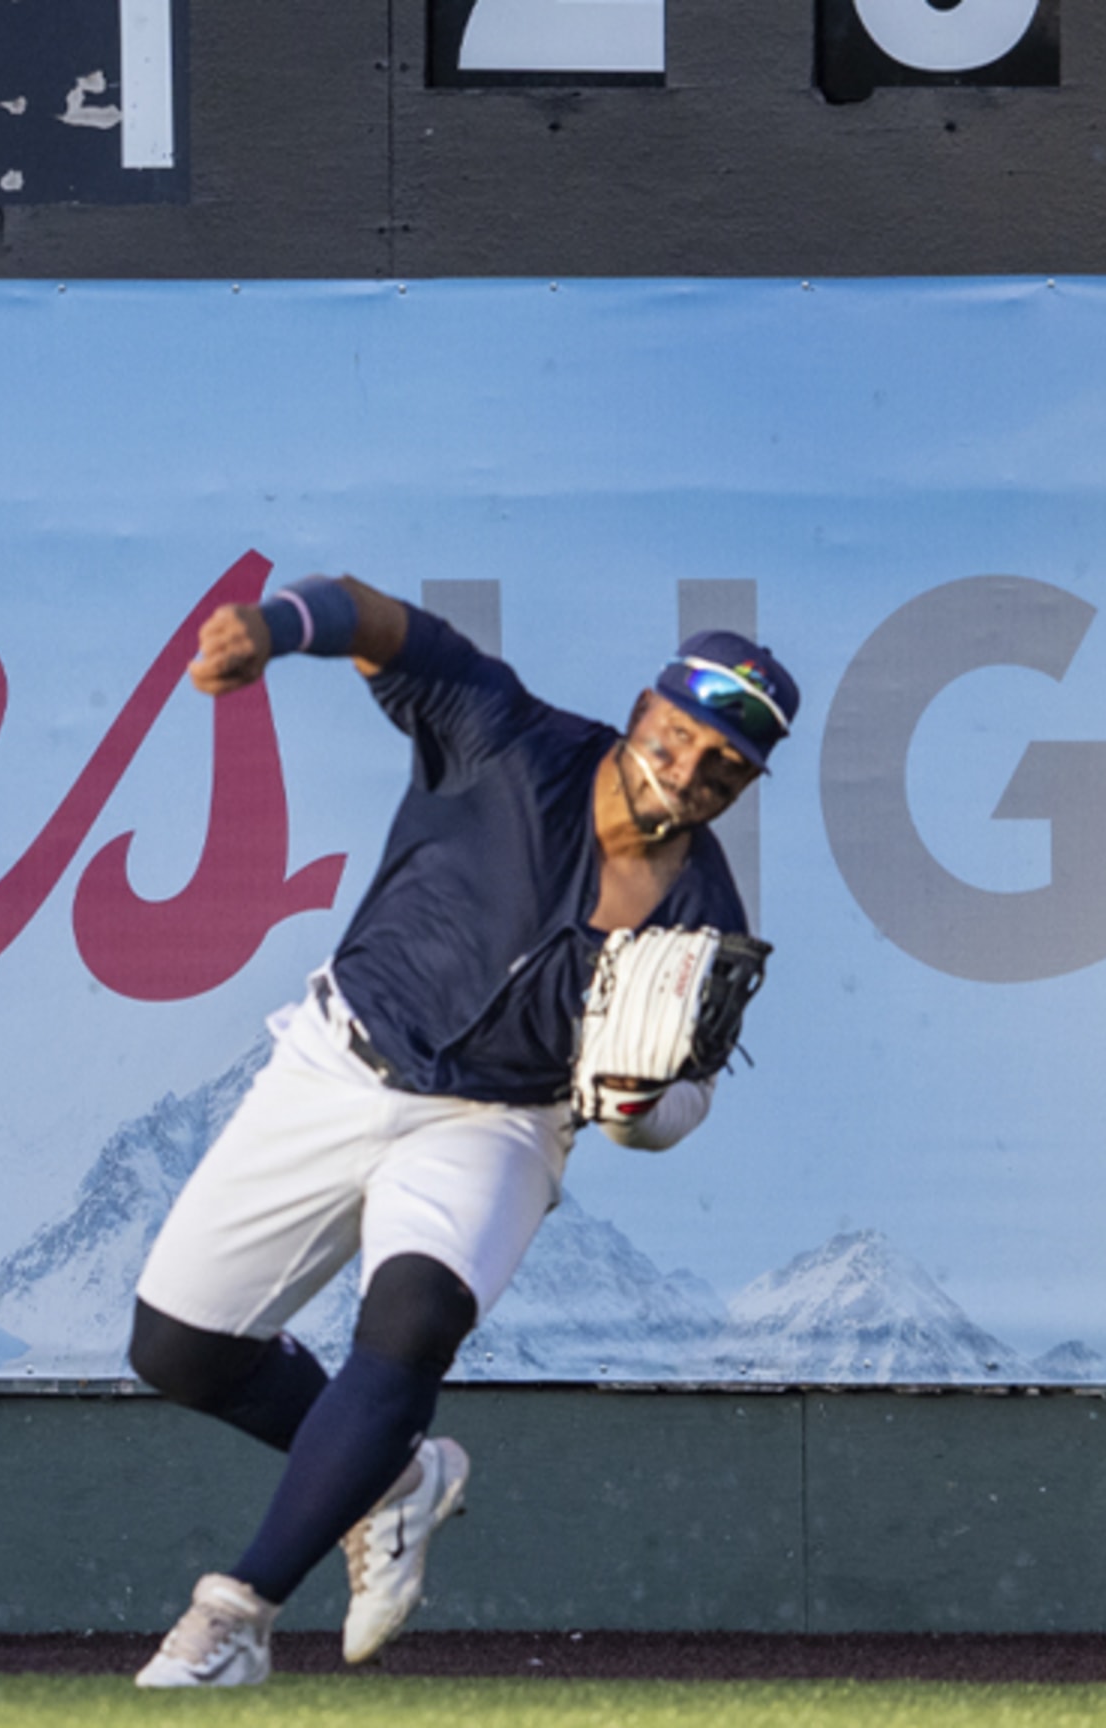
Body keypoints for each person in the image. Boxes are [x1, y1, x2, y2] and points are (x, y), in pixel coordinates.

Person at [125, 573, 797, 1687]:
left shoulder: (702, 916)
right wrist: (275, 631)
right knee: (180, 1350)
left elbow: (690, 1095)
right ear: (645, 708)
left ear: (746, 780)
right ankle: (393, 1480)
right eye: (682, 735)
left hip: (498, 1121)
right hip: (337, 1059)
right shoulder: (508, 738)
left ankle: (235, 1618)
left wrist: (638, 1121)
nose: (691, 770)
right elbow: (386, 623)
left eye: (726, 762)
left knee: (413, 1319)